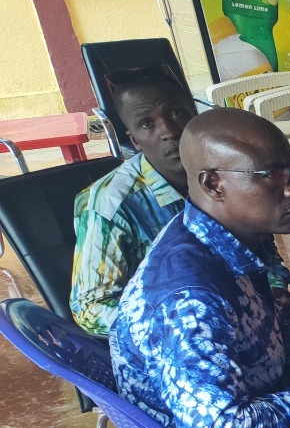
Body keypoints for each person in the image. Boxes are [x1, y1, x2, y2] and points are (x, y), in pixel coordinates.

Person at [110, 108, 290, 428]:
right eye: (271, 175)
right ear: (214, 184)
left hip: (261, 410)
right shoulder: (189, 297)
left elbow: (253, 335)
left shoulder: (226, 235)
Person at [70, 66, 198, 335]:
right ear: (135, 141)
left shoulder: (222, 172)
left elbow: (259, 247)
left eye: (176, 113)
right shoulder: (111, 204)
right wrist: (177, 326)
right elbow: (91, 308)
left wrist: (274, 287)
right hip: (168, 335)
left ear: (195, 117)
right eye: (147, 124)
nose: (169, 131)